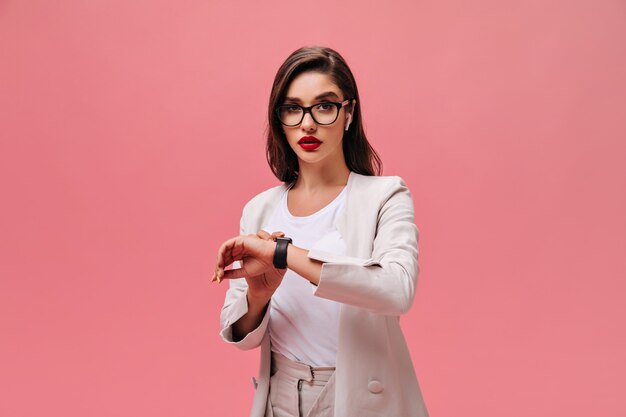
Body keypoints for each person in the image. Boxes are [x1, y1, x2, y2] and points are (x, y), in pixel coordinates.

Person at [212, 46, 429, 417]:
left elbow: (397, 291)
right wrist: (260, 295)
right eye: (293, 109)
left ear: (349, 112)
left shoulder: (385, 195)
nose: (307, 123)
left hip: (358, 396)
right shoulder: (260, 208)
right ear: (279, 119)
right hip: (279, 395)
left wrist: (283, 255)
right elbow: (238, 332)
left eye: (324, 106)